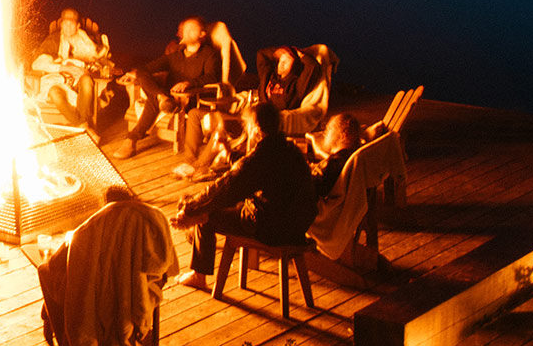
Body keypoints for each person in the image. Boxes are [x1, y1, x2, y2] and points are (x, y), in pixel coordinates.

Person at [170, 102, 318, 290]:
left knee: (205, 214)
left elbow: (223, 189)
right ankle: (196, 237)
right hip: (298, 225)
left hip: (271, 227)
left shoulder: (260, 158)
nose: (246, 130)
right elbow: (248, 173)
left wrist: (189, 209)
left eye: (247, 126)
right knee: (206, 206)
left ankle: (199, 275)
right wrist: (229, 153)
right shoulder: (290, 150)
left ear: (256, 129)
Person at [37, 185, 179, 346]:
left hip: (98, 299)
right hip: (141, 294)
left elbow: (57, 265)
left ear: (105, 205)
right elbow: (167, 265)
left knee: (45, 272)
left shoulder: (88, 230)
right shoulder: (154, 219)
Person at [121, 17, 222, 159]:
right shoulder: (176, 55)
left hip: (188, 101)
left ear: (202, 34)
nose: (186, 33)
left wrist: (189, 83)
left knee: (153, 100)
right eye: (185, 30)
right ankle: (161, 97)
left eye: (191, 30)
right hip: (168, 97)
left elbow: (212, 77)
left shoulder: (209, 55)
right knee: (142, 75)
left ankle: (131, 140)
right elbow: (148, 68)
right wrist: (131, 73)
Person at [31, 8, 119, 131]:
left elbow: (96, 58)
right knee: (54, 93)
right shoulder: (54, 40)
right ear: (61, 24)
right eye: (65, 24)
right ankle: (84, 127)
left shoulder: (84, 40)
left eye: (71, 24)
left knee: (87, 81)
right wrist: (63, 67)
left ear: (78, 26)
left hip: (79, 80)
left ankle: (80, 125)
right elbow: (37, 64)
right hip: (58, 80)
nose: (68, 27)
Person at [308, 113, 364, 197]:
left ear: (343, 136)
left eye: (329, 129)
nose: (324, 133)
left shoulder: (333, 163)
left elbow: (310, 188)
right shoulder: (349, 157)